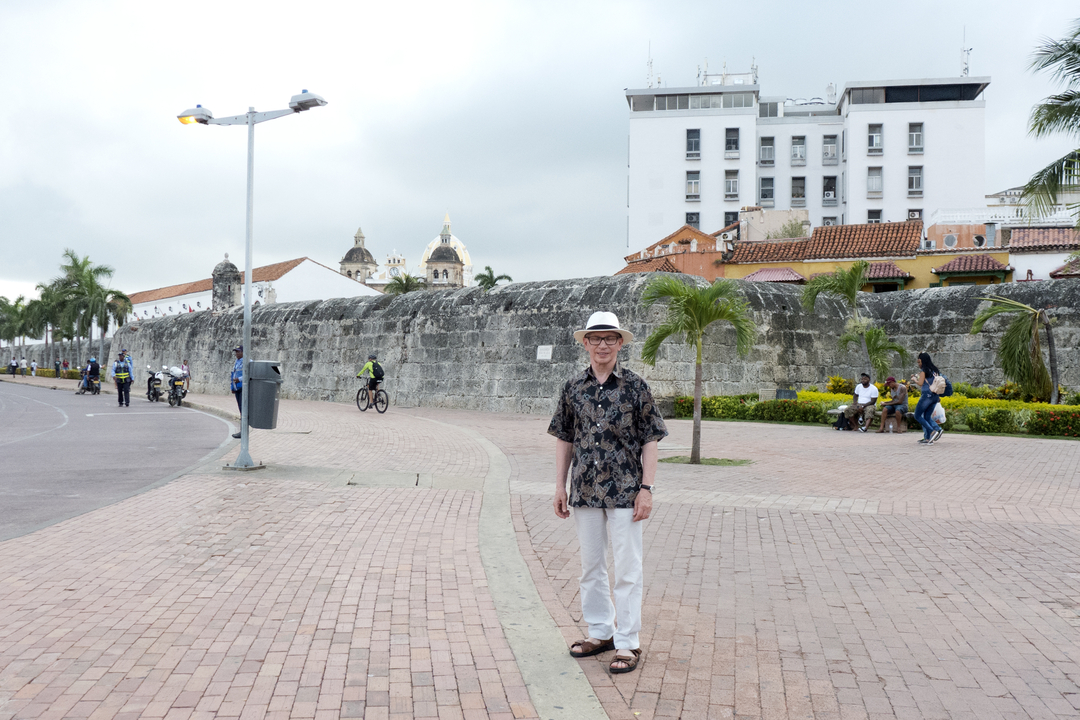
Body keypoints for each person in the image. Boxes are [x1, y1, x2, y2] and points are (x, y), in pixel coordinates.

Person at [548, 311, 668, 675]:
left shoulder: (636, 387)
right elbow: (564, 438)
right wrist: (559, 485)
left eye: (610, 338)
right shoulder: (572, 388)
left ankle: (628, 642)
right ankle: (601, 633)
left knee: (628, 569)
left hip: (626, 492)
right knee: (591, 567)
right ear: (585, 343)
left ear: (620, 343)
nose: (603, 345)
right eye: (596, 338)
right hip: (584, 490)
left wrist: (646, 489)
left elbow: (650, 440)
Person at [911, 352, 943, 445]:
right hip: (935, 396)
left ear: (923, 361)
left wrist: (914, 380)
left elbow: (920, 383)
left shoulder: (924, 370)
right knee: (927, 416)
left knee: (917, 415)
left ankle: (932, 431)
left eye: (919, 362)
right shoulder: (934, 370)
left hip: (926, 396)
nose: (918, 364)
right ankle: (935, 432)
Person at [230, 345, 244, 439]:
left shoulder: (247, 361)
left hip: (243, 388)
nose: (237, 354)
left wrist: (239, 379)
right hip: (237, 388)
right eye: (236, 352)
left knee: (243, 410)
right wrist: (232, 387)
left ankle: (243, 431)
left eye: (239, 352)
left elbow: (249, 374)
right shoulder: (237, 362)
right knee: (240, 409)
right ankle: (242, 431)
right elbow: (233, 373)